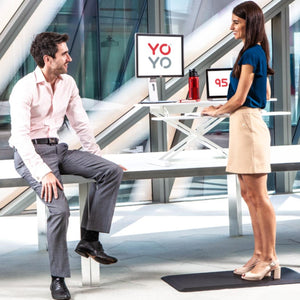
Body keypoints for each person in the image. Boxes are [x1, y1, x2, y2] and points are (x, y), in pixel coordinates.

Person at [9, 32, 124, 300]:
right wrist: (44, 172)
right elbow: (22, 139)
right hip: (31, 154)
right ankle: (58, 278)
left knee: (111, 171)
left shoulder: (68, 83)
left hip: (58, 149)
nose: (70, 58)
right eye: (65, 54)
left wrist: (98, 157)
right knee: (59, 210)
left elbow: (80, 123)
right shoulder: (24, 89)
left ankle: (90, 240)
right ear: (48, 59)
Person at [202, 1, 280, 281]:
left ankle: (270, 258)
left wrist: (215, 110)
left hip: (247, 125)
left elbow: (239, 98)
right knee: (248, 196)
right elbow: (264, 89)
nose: (231, 27)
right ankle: (259, 254)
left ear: (250, 23)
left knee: (259, 196)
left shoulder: (252, 52)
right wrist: (228, 109)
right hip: (242, 124)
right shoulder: (252, 53)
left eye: (236, 22)